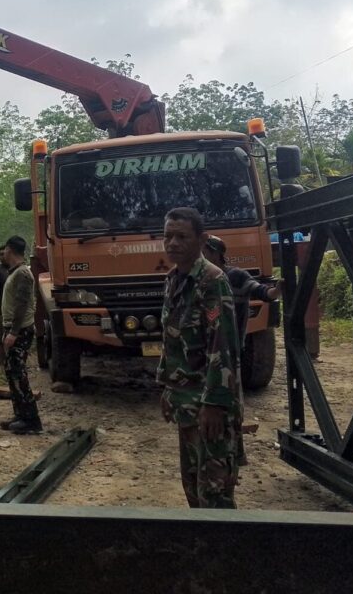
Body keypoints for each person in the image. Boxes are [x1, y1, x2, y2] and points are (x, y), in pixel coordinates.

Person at [157, 207, 242, 508]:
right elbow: (171, 341)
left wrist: (215, 404)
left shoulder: (212, 280)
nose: (173, 243)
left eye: (182, 237)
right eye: (168, 236)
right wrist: (167, 388)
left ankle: (225, 541)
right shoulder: (173, 279)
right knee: (193, 488)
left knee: (215, 494)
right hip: (186, 403)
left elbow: (222, 344)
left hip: (210, 408)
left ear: (202, 240)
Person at [202, 235, 281, 351]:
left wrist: (276, 291)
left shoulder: (237, 277)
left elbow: (262, 292)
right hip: (204, 348)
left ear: (216, 254)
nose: (200, 258)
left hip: (230, 348)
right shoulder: (199, 279)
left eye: (204, 253)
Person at [0, 235, 43, 435]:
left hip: (20, 330)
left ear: (10, 250)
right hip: (12, 329)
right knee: (12, 373)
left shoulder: (23, 274)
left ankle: (31, 419)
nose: (4, 254)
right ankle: (20, 414)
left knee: (18, 373)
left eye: (5, 250)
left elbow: (22, 305)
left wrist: (14, 333)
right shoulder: (15, 272)